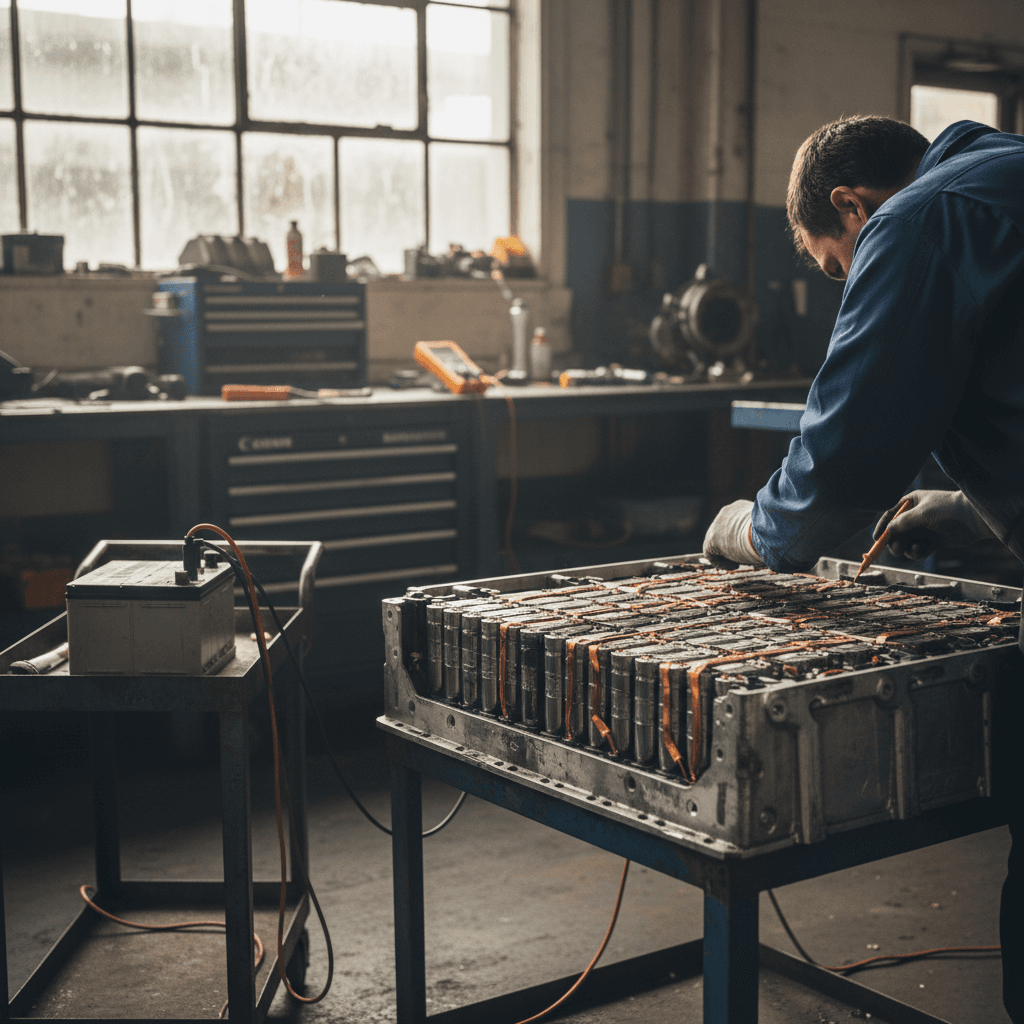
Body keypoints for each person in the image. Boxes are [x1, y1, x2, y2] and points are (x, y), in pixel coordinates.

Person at [702, 114, 1024, 1023]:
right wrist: (971, 511)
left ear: (851, 205)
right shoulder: (1002, 176)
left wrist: (748, 531)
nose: (855, 280)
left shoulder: (918, 219)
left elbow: (843, 463)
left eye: (839, 266)